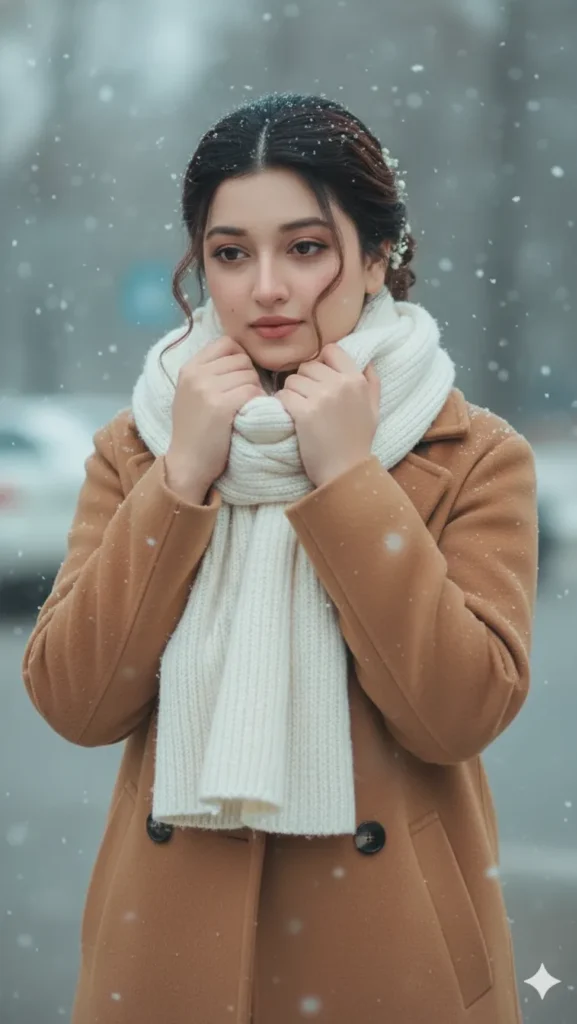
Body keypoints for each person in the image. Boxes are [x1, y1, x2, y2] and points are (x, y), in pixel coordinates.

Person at [22, 92, 538, 1024]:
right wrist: (182, 475)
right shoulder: (141, 446)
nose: (265, 288)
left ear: (379, 257)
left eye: (304, 248)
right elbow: (76, 701)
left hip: (396, 966)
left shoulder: (472, 455)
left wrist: (344, 479)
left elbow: (455, 713)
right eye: (230, 253)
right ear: (201, 268)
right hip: (167, 963)